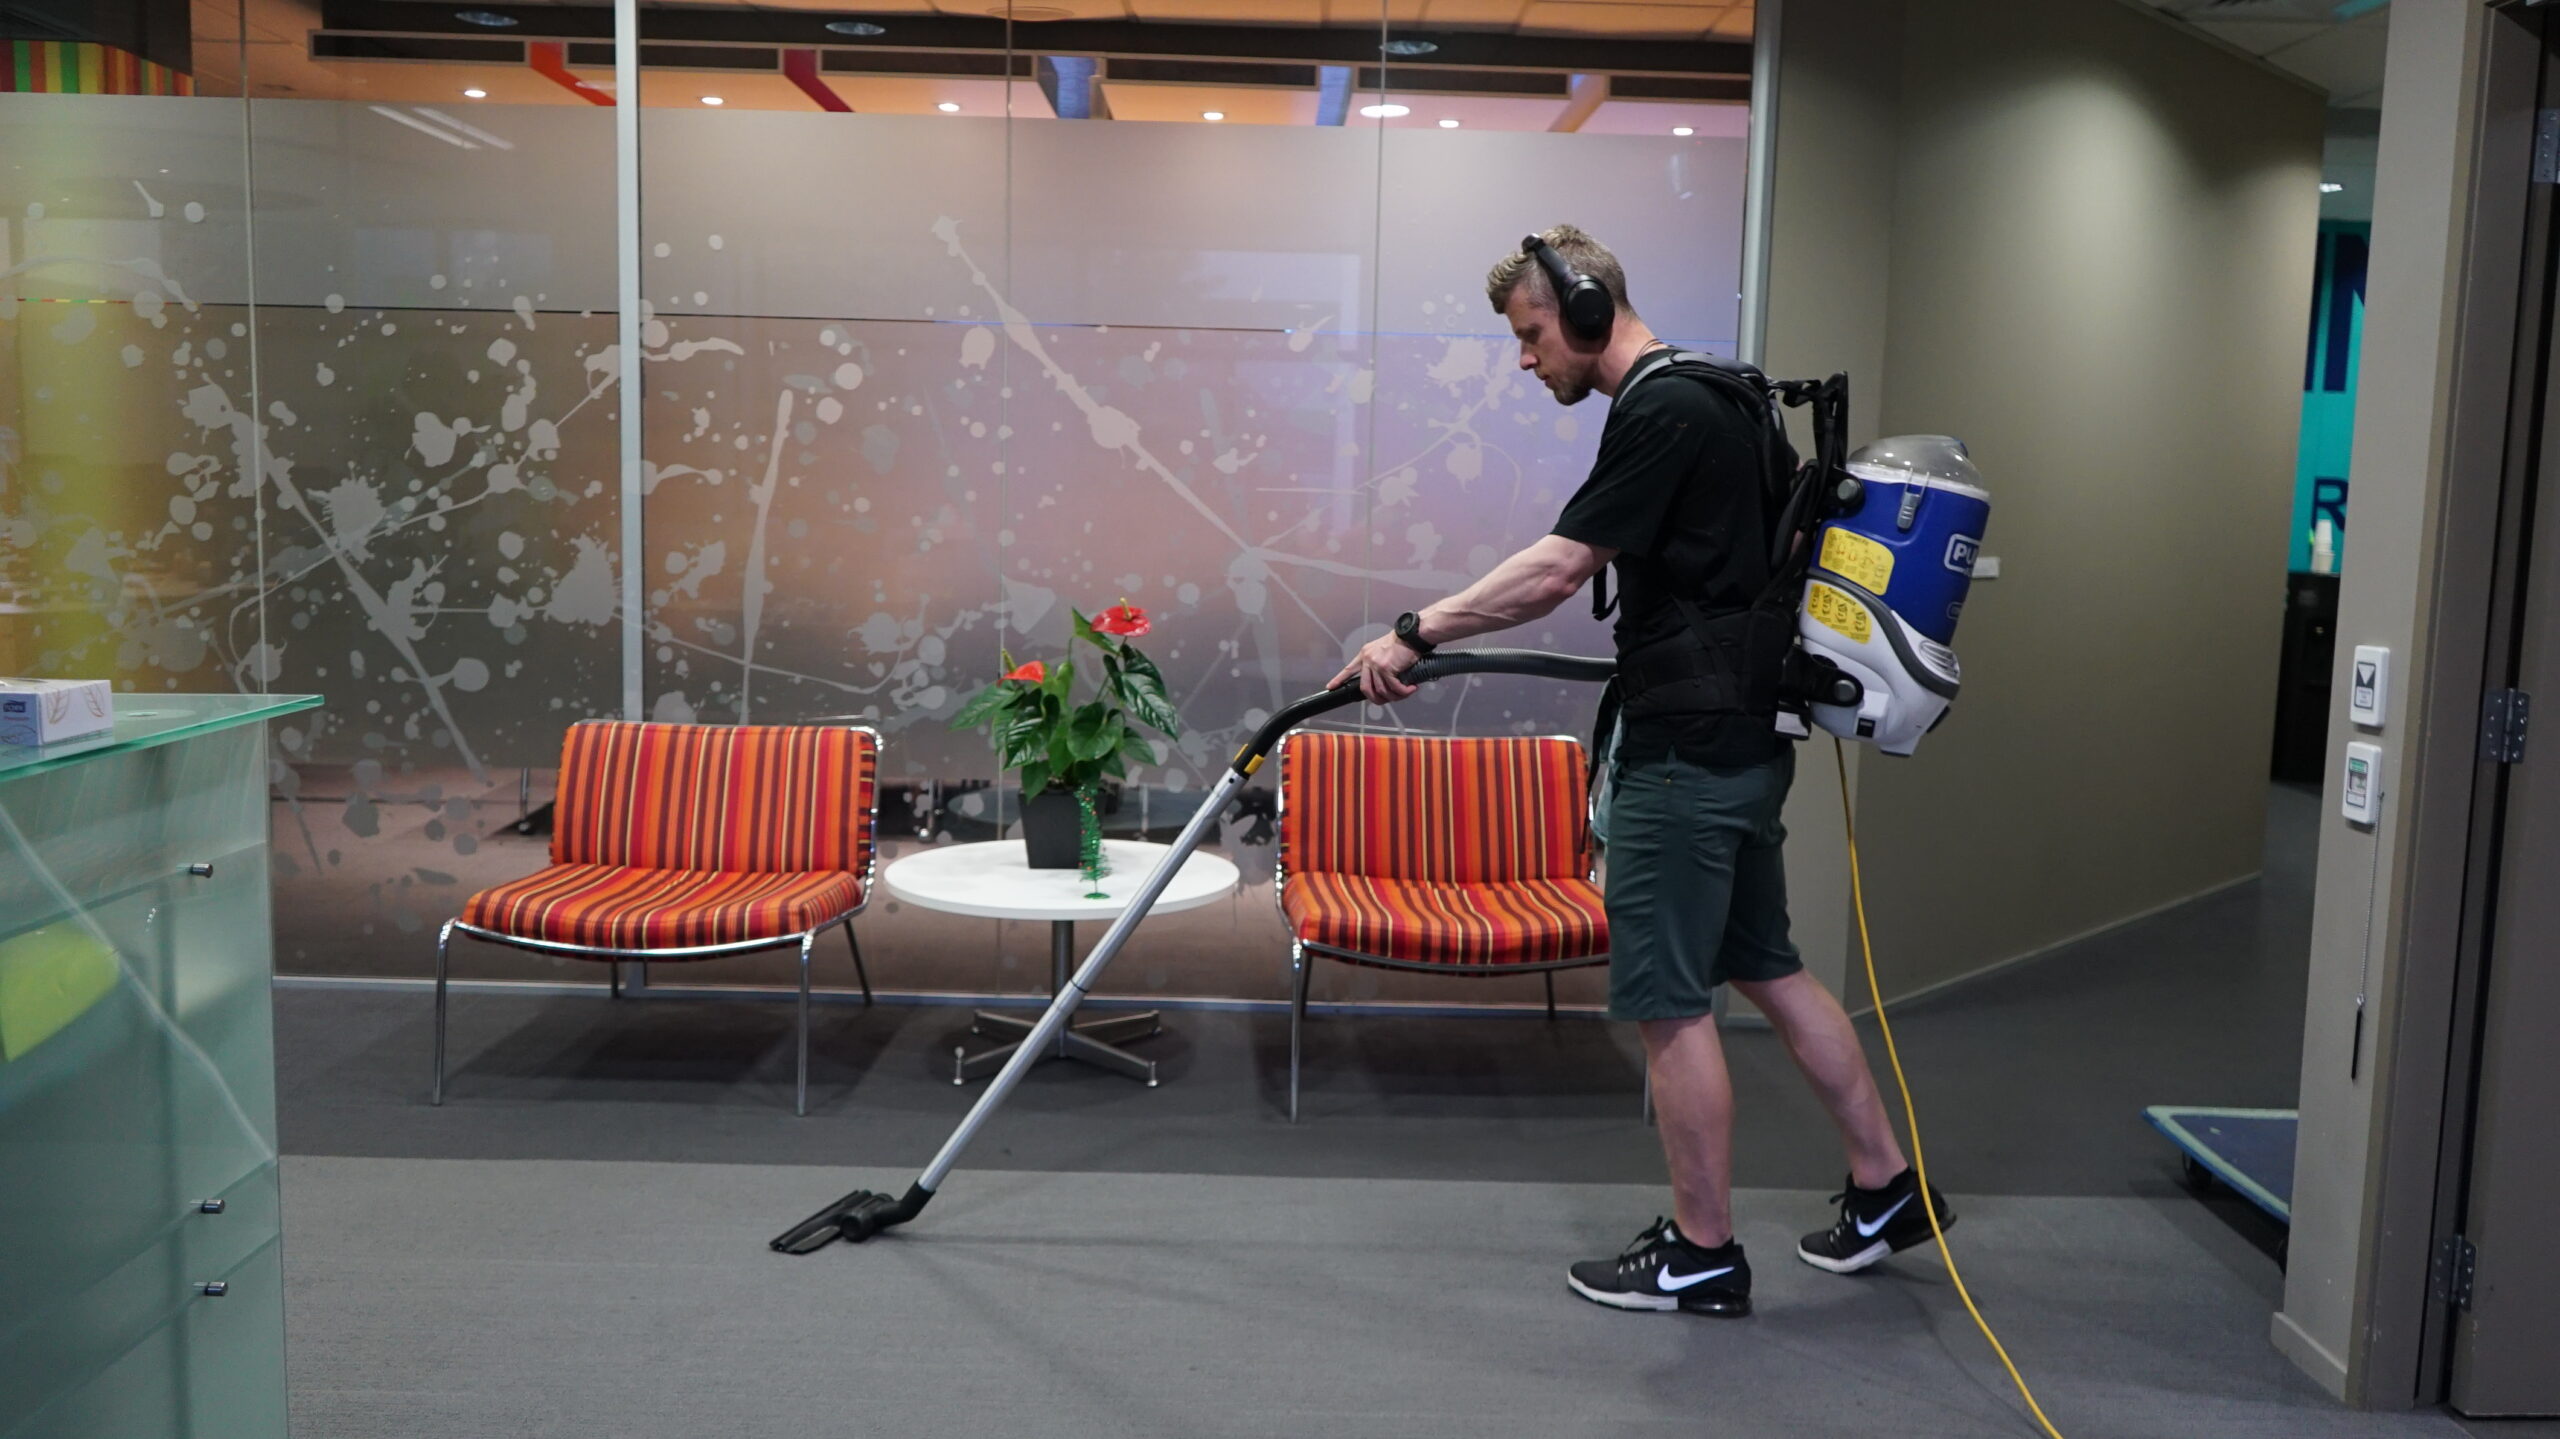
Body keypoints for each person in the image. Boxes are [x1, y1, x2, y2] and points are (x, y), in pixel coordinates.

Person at [1327, 224, 1951, 1318]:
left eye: (1531, 337)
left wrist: (1414, 632)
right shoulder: (1728, 394)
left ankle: (1701, 1250)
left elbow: (1557, 570)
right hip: (1746, 742)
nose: (1526, 362)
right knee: (1767, 964)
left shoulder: (1660, 408)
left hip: (1685, 755)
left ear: (1579, 309)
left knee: (1669, 1005)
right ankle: (1885, 1186)